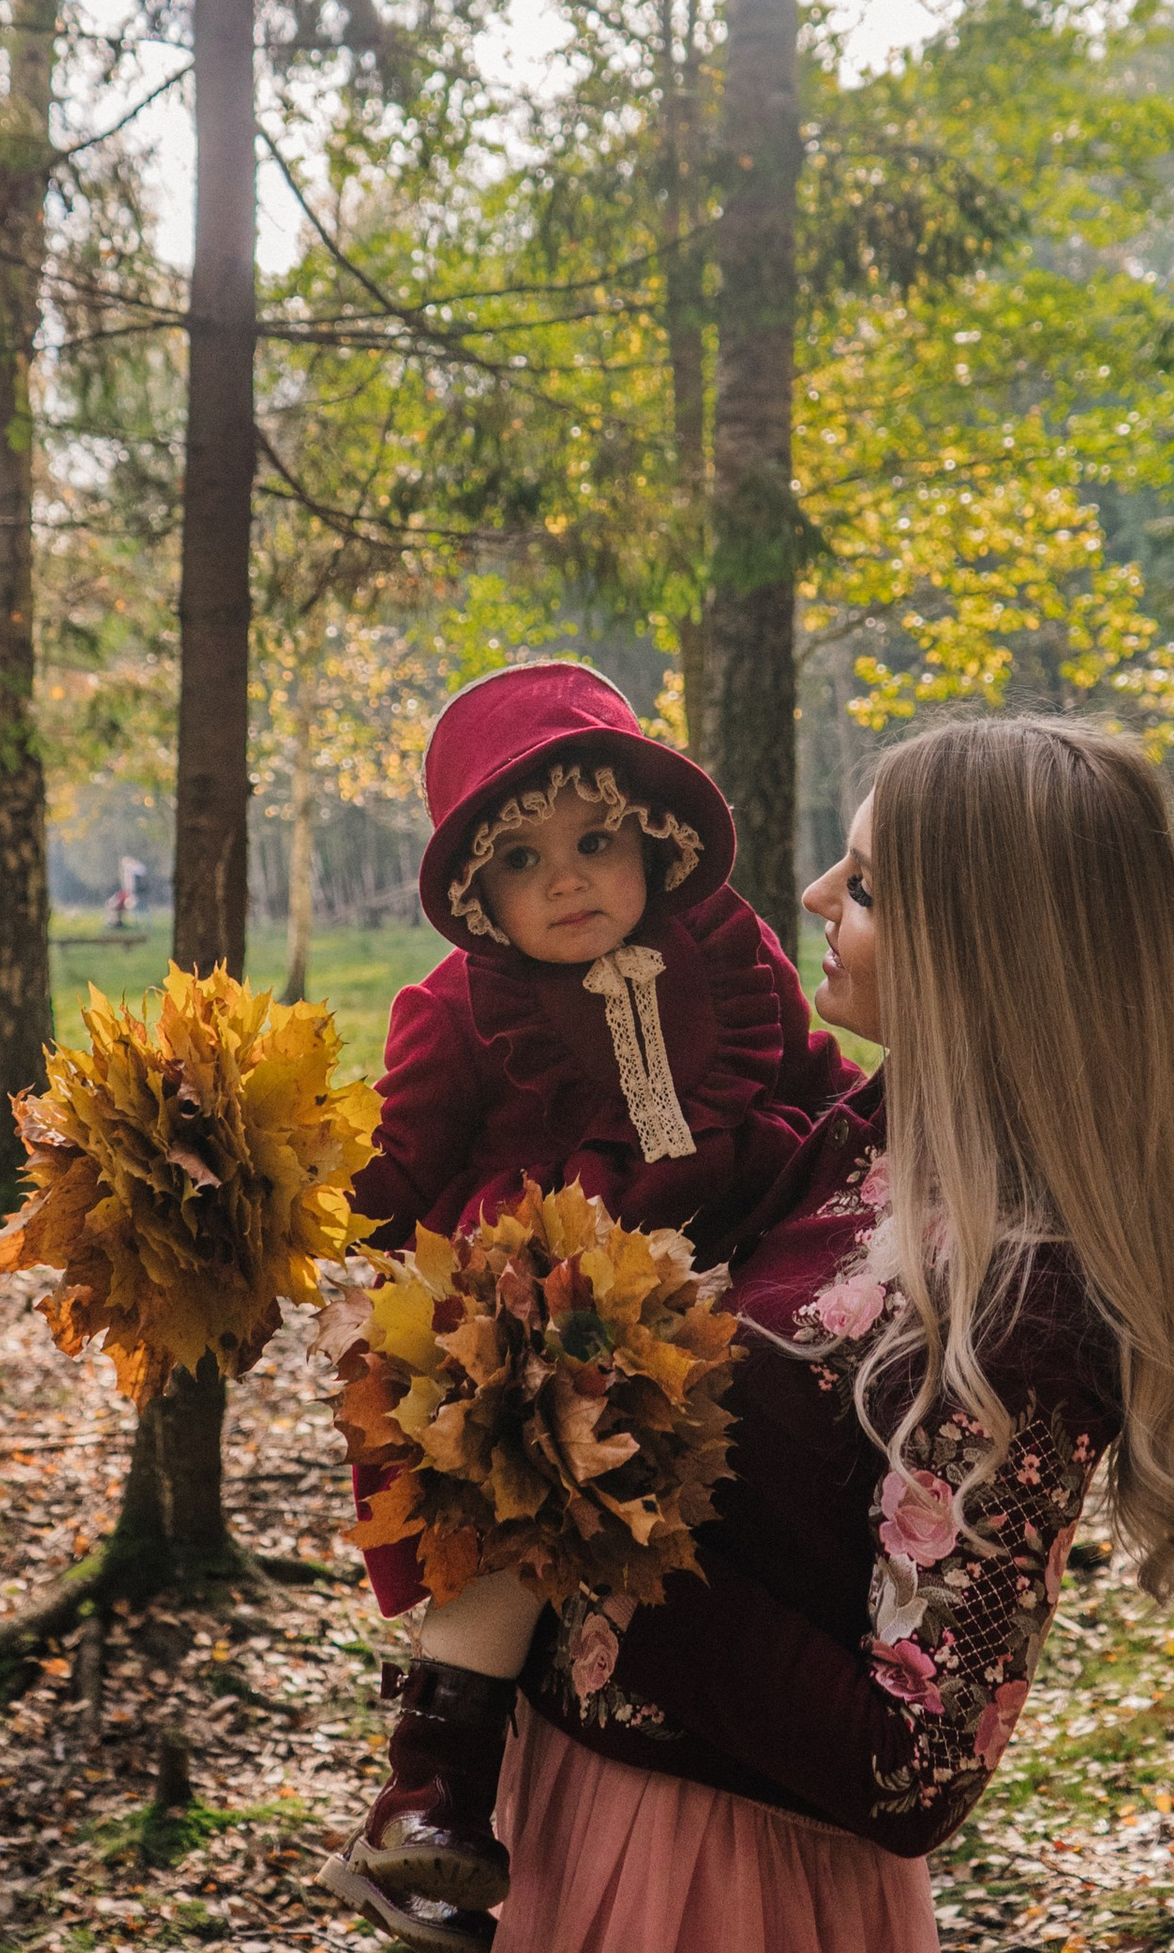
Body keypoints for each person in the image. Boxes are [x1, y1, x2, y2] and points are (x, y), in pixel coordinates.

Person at [494, 715, 1174, 1953]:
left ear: (993, 947)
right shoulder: (870, 1126)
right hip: (580, 1808)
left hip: (716, 1882)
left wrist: (588, 1529)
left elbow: (916, 1767)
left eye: (870, 885)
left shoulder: (1026, 1303)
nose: (817, 894)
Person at [322, 662, 862, 1950]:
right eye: (522, 857)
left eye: (595, 840)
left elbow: (818, 1074)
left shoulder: (728, 949)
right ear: (474, 893)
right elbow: (396, 1161)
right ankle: (433, 1784)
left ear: (654, 841)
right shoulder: (456, 1009)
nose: (568, 878)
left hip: (739, 1275)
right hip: (554, 1310)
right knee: (516, 1496)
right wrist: (312, 1200)